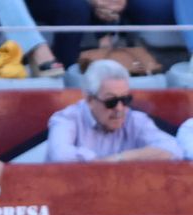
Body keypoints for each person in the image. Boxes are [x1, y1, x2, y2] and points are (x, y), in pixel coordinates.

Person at [46, 59, 179, 162]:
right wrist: (97, 162)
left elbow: (173, 149)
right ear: (90, 100)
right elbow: (60, 154)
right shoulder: (67, 118)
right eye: (111, 101)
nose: (120, 108)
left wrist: (119, 159)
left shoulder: (135, 119)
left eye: (125, 100)